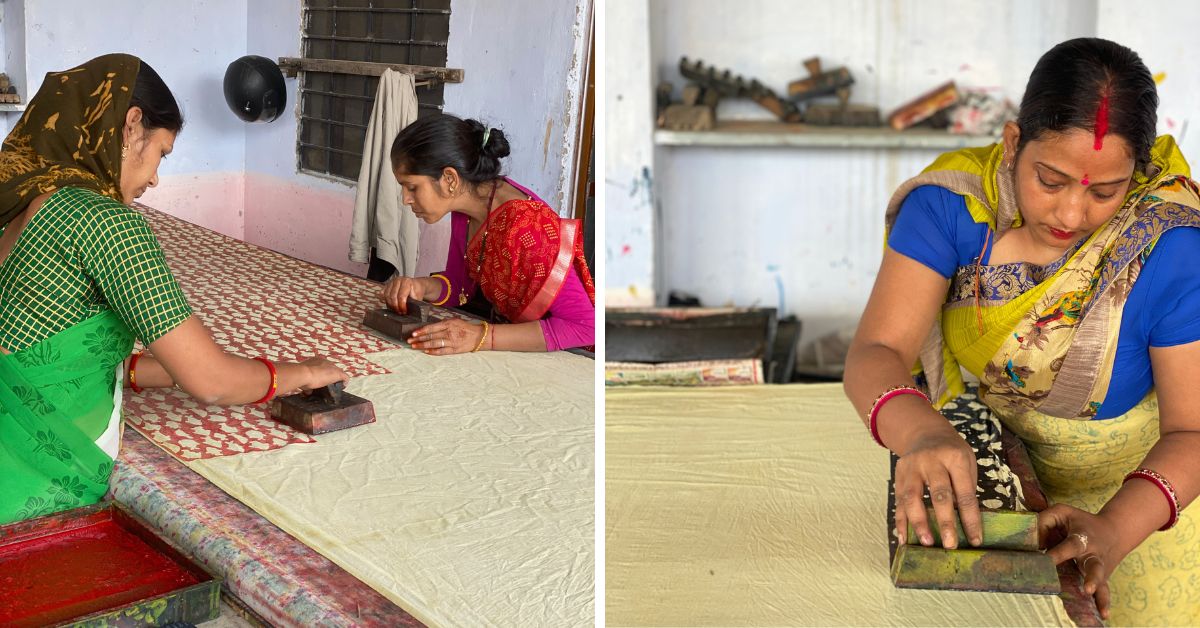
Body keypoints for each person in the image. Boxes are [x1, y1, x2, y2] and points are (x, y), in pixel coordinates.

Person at [845, 38, 1200, 625]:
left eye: (1104, 192)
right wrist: (922, 435)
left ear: (1134, 176)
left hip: (1144, 504)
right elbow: (876, 350)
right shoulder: (953, 207)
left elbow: (1192, 430)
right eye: (1051, 179)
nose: (1070, 215)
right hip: (993, 481)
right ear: (1013, 143)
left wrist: (1113, 531)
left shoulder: (1170, 245)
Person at [0, 54, 347, 525]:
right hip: (31, 482)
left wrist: (175, 369)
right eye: (160, 154)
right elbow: (214, 383)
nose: (154, 179)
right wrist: (299, 373)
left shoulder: (29, 204)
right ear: (131, 126)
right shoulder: (103, 224)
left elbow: (70, 353)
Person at [379, 114, 595, 354]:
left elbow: (584, 327)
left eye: (412, 187)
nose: (405, 199)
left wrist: (481, 336)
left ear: (449, 179)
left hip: (573, 357)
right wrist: (419, 287)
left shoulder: (525, 227)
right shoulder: (467, 208)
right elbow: (461, 285)